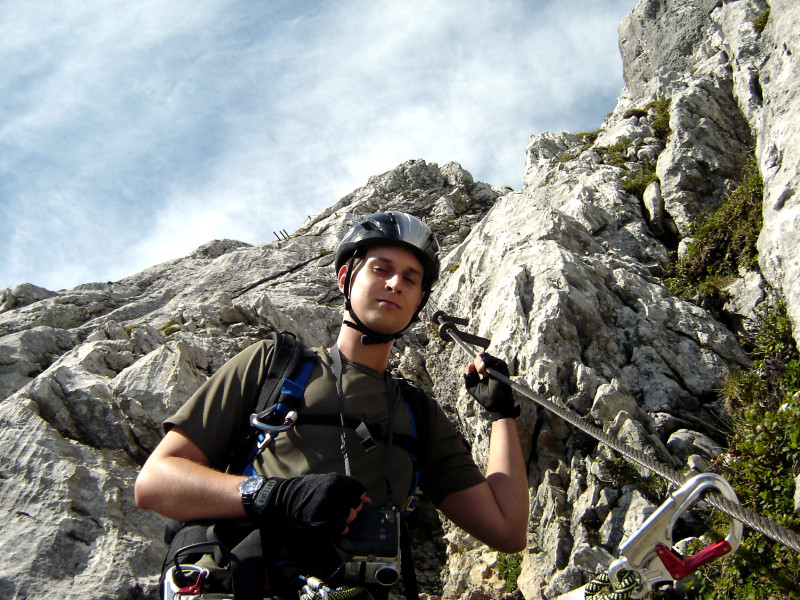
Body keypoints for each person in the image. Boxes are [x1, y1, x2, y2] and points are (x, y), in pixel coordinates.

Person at [135, 211, 529, 599]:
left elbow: (507, 530)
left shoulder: (418, 415)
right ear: (346, 277)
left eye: (411, 279)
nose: (395, 284)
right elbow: (156, 482)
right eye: (381, 269)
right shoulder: (273, 366)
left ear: (419, 302)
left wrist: (501, 414)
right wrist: (276, 496)